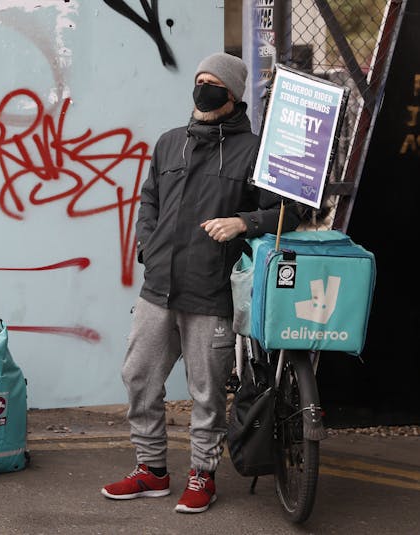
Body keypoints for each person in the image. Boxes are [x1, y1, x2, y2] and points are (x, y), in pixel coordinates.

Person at [100, 52, 301, 513]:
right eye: (199, 80)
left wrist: (242, 222)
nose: (203, 89)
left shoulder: (254, 152)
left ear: (231, 96)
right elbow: (148, 200)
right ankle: (151, 471)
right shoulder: (170, 143)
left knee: (206, 392)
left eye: (213, 83)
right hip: (159, 288)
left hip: (211, 293)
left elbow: (288, 214)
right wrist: (147, 247)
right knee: (138, 377)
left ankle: (202, 476)